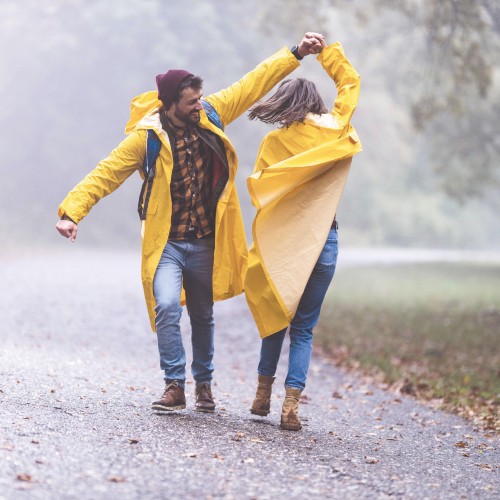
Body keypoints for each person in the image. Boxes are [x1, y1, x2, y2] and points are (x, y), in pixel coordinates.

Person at [56, 33, 325, 414]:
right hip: (167, 242)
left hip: (205, 241)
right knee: (166, 306)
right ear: (169, 106)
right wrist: (71, 213)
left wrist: (296, 52)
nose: (199, 105)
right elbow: (106, 173)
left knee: (202, 314)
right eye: (191, 102)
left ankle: (204, 386)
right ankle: (174, 384)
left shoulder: (211, 114)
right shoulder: (146, 138)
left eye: (200, 98)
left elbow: (252, 83)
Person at [244, 36, 362, 430]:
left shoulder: (272, 142)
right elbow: (351, 85)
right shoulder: (333, 132)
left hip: (285, 248)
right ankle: (290, 406)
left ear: (284, 103)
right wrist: (328, 53)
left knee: (276, 317)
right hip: (324, 243)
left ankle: (262, 394)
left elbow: (263, 195)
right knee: (304, 329)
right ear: (315, 105)